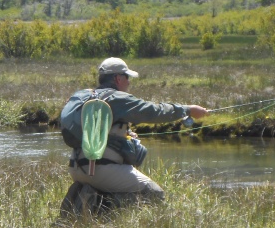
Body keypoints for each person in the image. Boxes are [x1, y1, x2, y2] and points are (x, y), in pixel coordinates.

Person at [62, 57, 209, 214]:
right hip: (100, 170)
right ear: (118, 78)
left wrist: (124, 134)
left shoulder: (85, 96)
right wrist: (187, 110)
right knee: (154, 193)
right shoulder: (117, 98)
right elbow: (153, 112)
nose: (129, 82)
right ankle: (98, 207)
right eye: (127, 77)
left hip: (76, 168)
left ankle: (81, 198)